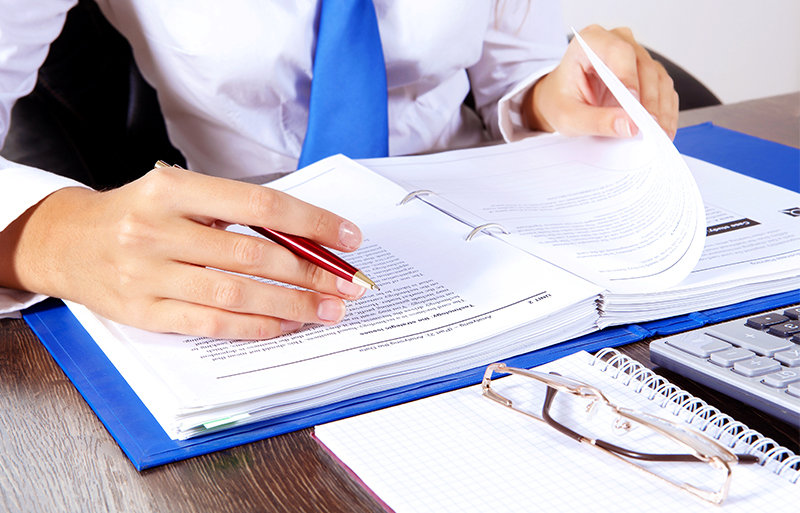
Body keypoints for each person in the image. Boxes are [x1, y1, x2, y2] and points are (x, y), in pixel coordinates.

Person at [0, 0, 677, 340]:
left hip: (485, 232)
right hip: (254, 251)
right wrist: (53, 238)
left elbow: (515, 72)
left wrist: (550, 97)